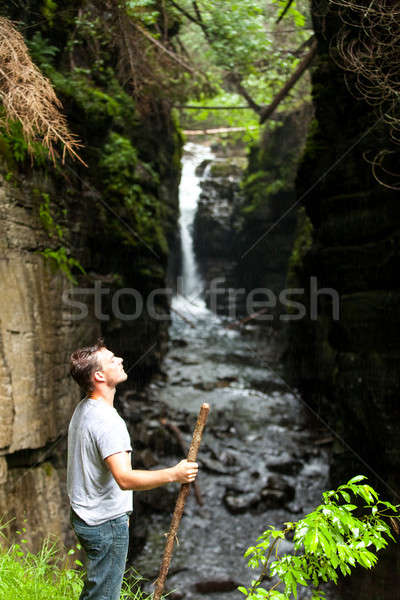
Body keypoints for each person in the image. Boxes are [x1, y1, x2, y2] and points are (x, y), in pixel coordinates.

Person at [67, 339, 198, 600]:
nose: (121, 360)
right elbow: (125, 479)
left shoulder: (84, 408)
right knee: (104, 595)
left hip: (85, 515)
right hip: (104, 523)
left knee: (96, 588)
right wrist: (175, 473)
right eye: (112, 359)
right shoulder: (108, 422)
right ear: (99, 375)